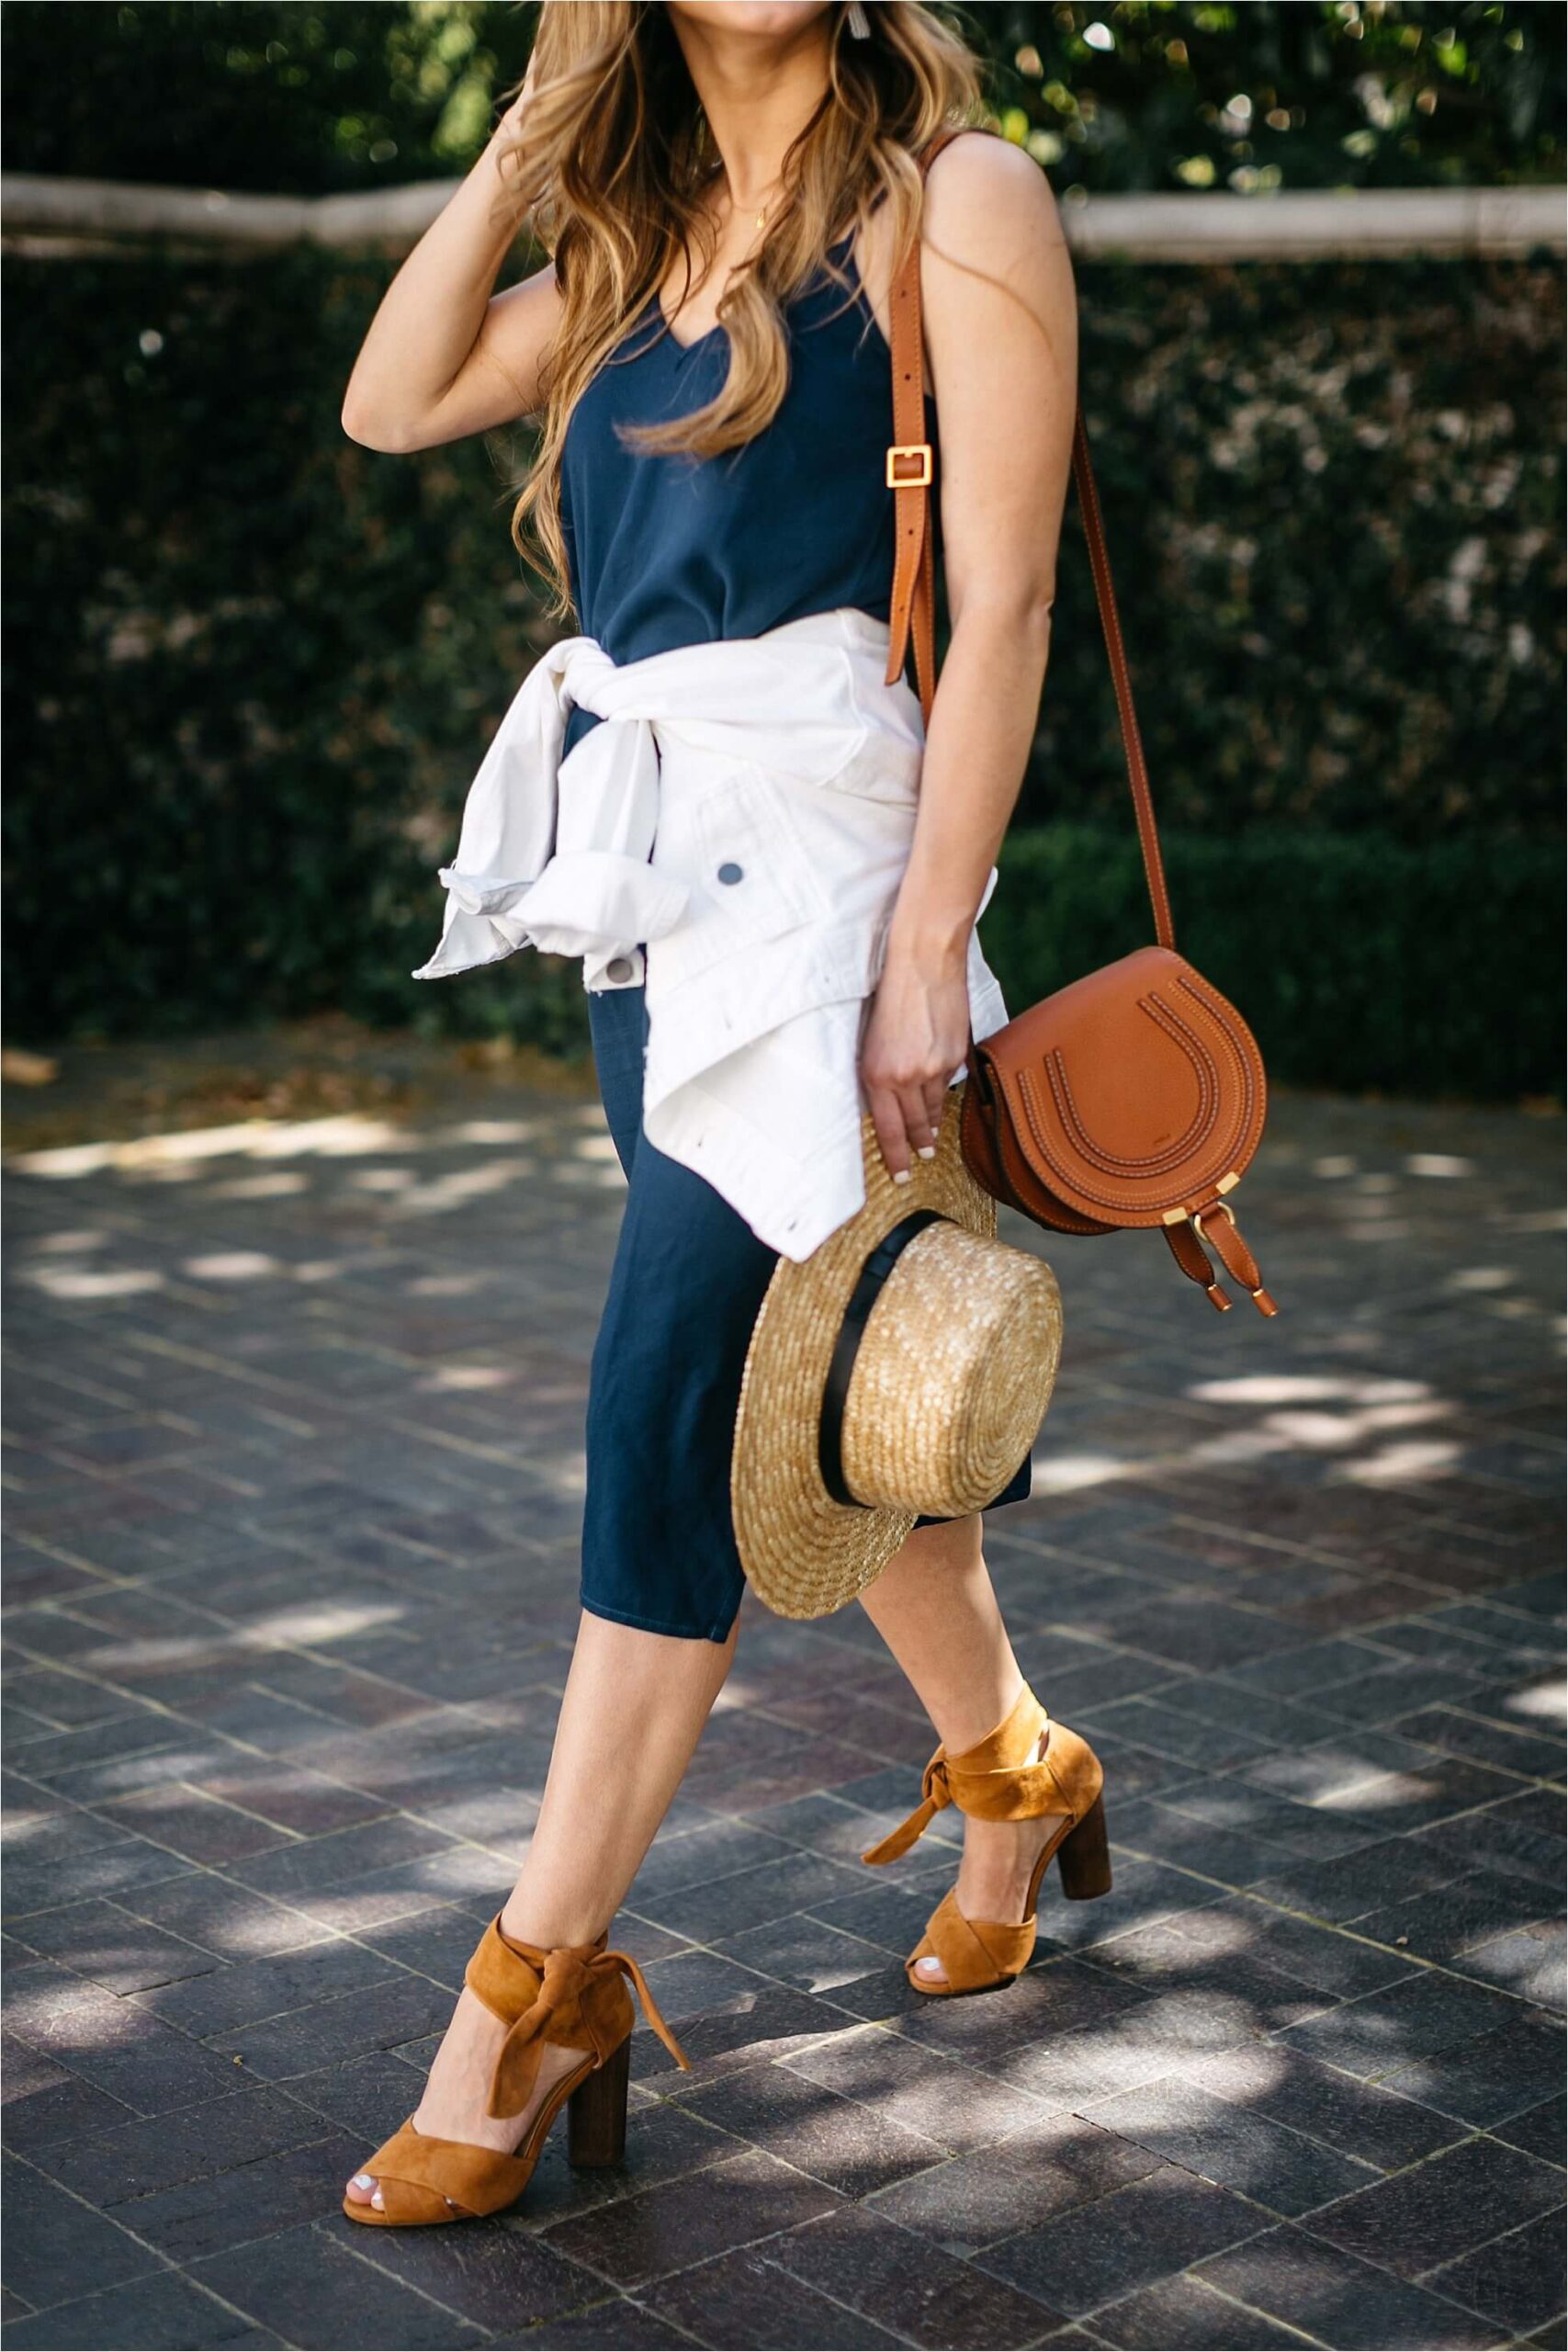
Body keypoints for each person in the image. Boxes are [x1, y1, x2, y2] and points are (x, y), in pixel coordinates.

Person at [337, 0, 1105, 2230]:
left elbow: (1008, 609)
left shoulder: (951, 200)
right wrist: (533, 126)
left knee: (668, 1403)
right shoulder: (623, 238)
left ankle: (531, 1987)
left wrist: (913, 958)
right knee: (837, 1402)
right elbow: (389, 399)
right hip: (652, 902)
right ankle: (1015, 1768)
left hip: (841, 899)